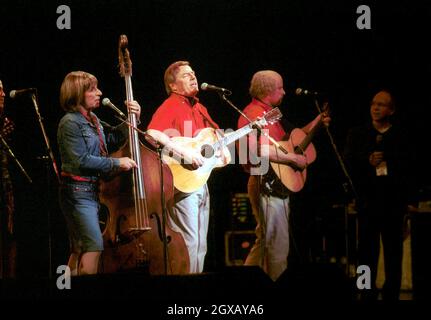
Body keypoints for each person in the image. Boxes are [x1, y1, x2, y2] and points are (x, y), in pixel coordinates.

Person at [237, 70, 330, 281]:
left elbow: (289, 140)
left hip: (276, 184)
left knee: (267, 243)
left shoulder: (272, 113)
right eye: (280, 87)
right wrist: (291, 159)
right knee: (276, 246)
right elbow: (255, 151)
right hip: (266, 183)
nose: (284, 92)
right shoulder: (252, 114)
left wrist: (316, 124)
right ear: (267, 90)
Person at [57, 71, 140, 275]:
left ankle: (63, 288)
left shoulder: (92, 118)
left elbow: (111, 140)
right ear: (77, 94)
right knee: (93, 246)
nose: (99, 93)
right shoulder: (69, 122)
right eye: (92, 89)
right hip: (77, 192)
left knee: (79, 249)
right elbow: (81, 160)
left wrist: (133, 118)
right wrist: (116, 163)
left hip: (89, 191)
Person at [147, 61, 221, 273]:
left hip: (200, 181)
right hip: (182, 184)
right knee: (189, 243)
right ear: (173, 86)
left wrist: (222, 150)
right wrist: (183, 152)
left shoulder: (199, 108)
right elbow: (152, 134)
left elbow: (215, 137)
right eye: (186, 75)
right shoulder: (171, 105)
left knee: (200, 245)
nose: (193, 77)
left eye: (194, 73)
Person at [344, 90, 416, 300]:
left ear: (391, 110)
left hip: (393, 204)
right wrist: (367, 161)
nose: (375, 108)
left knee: (394, 254)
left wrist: (411, 203)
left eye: (381, 105)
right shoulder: (357, 134)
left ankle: (391, 293)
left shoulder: (401, 136)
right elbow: (347, 162)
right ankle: (364, 291)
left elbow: (409, 170)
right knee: (365, 254)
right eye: (373, 103)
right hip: (367, 203)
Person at [0, 79, 16, 278]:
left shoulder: (6, 122)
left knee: (9, 238)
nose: (3, 94)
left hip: (5, 188)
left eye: (3, 89)